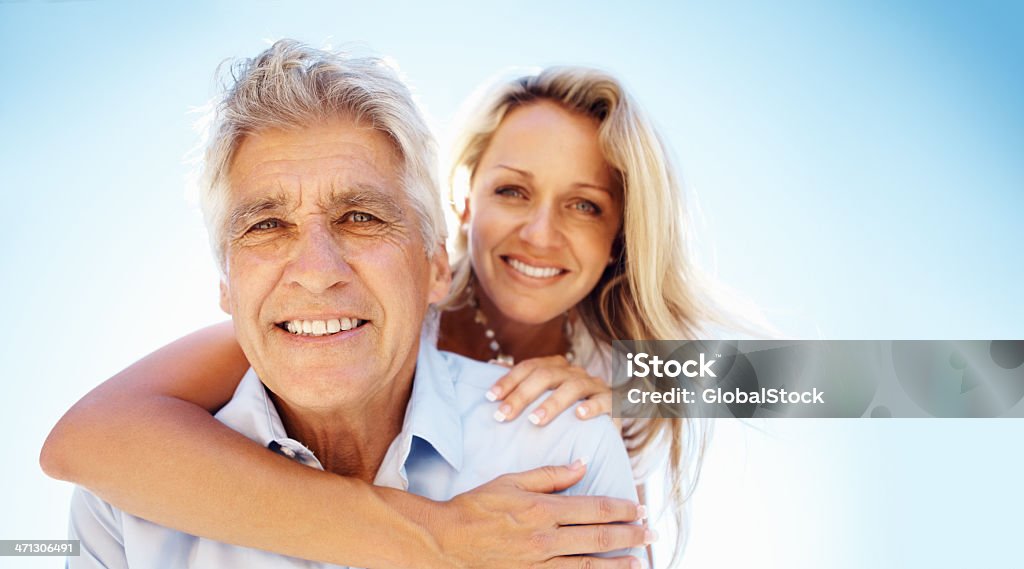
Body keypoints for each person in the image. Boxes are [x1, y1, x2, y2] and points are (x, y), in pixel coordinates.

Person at [43, 41, 724, 568]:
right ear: (464, 206)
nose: (539, 232)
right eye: (512, 191)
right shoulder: (360, 308)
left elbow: (824, 382)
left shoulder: (615, 367)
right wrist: (435, 538)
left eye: (584, 205)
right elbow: (95, 435)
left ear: (619, 238)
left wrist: (629, 379)